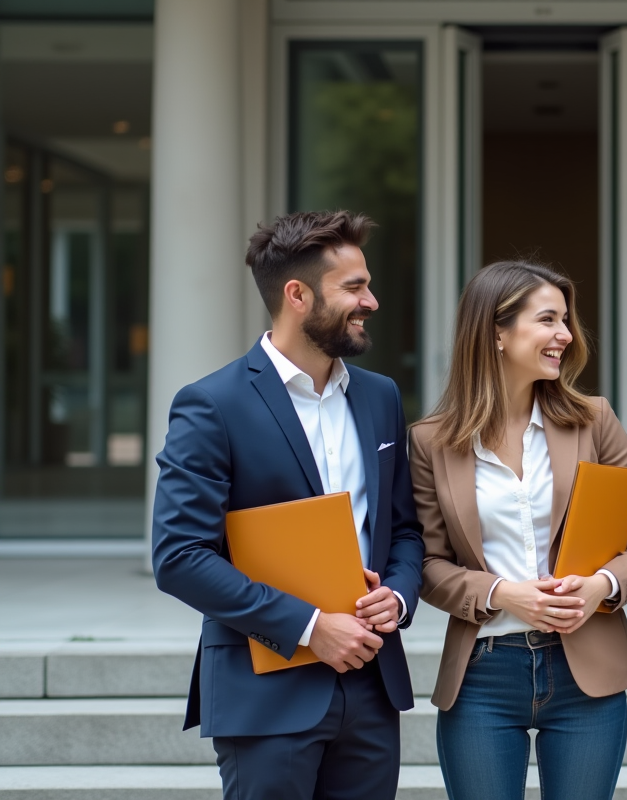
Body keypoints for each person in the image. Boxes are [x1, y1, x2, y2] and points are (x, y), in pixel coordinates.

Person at [152, 211, 425, 800]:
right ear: (296, 295)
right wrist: (309, 627)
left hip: (372, 685)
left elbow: (403, 529)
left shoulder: (380, 397)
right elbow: (179, 556)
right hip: (264, 688)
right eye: (353, 287)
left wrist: (397, 598)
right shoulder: (210, 404)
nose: (371, 301)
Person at [408, 260, 627, 800]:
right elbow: (426, 564)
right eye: (549, 320)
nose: (566, 336)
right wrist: (504, 594)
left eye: (566, 321)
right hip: (482, 674)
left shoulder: (594, 420)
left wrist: (602, 586)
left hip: (587, 669)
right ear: (497, 332)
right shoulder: (430, 442)